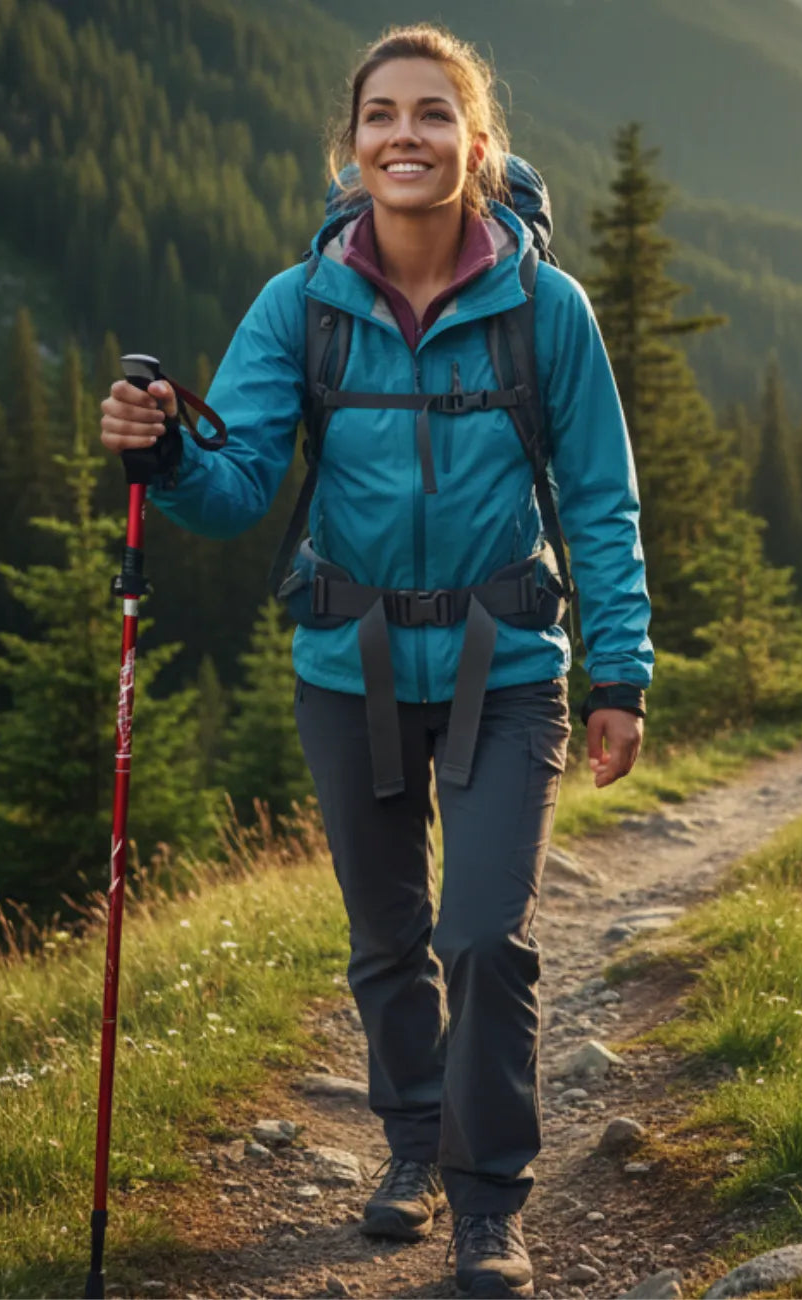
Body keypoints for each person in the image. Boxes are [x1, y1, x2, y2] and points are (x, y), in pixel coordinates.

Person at [99, 23, 653, 1299]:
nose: (405, 135)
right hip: (346, 669)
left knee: (484, 937)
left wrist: (617, 676)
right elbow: (234, 486)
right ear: (350, 148)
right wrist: (163, 452)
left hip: (505, 665)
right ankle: (411, 1146)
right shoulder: (300, 306)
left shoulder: (544, 308)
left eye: (433, 114)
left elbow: (602, 502)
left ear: (476, 142)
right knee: (387, 935)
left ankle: (487, 1205)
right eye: (381, 116)